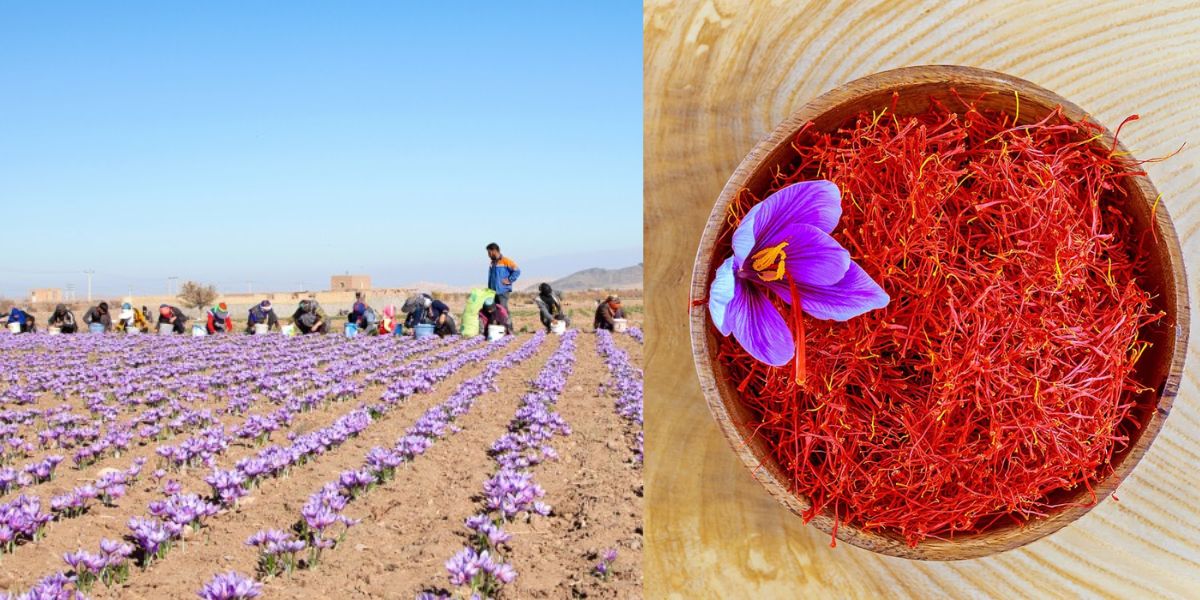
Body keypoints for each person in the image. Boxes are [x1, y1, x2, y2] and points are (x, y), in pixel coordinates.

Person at [485, 242, 520, 333]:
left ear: (494, 251)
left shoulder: (505, 261)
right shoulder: (492, 263)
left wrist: (509, 280)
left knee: (503, 310)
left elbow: (517, 271)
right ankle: (500, 329)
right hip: (493, 291)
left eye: (489, 252)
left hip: (503, 291)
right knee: (494, 311)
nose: (488, 255)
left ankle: (509, 329)